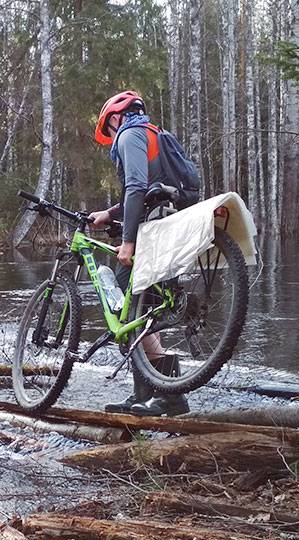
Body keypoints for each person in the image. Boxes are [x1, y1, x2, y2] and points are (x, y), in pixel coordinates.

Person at [87, 90, 189, 417]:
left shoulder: (130, 135)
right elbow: (148, 189)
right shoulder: (153, 133)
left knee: (125, 309)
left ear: (116, 118)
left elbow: (135, 187)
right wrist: (110, 214)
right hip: (170, 225)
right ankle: (146, 395)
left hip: (152, 233)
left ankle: (169, 397)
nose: (112, 136)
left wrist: (127, 241)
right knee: (133, 315)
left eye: (110, 129)